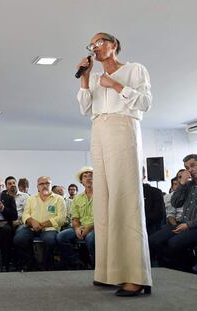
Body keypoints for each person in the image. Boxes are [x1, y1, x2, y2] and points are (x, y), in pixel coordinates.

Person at [77, 32, 152, 296]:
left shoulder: (134, 69)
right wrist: (86, 79)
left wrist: (116, 85)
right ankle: (109, 272)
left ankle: (136, 276)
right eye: (92, 45)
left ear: (114, 44)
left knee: (125, 200)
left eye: (100, 42)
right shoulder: (95, 78)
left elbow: (145, 103)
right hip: (99, 130)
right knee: (104, 203)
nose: (95, 48)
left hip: (123, 127)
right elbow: (86, 109)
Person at [149, 154, 197, 270]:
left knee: (174, 243)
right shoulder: (189, 185)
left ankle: (185, 267)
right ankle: (179, 266)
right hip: (182, 223)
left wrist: (188, 225)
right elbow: (176, 203)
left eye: (193, 166)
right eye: (187, 168)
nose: (190, 170)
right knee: (153, 240)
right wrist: (181, 184)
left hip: (193, 226)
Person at [13, 176, 66, 270]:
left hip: (50, 228)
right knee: (19, 239)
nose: (44, 186)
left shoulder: (59, 199)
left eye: (47, 183)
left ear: (51, 185)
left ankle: (46, 265)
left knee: (50, 241)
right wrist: (32, 222)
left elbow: (61, 219)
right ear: (37, 186)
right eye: (41, 184)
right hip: (31, 227)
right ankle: (32, 263)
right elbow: (25, 214)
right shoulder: (31, 198)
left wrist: (41, 225)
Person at [57, 167, 95, 269]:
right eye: (85, 176)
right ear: (81, 181)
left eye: (91, 176)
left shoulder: (103, 195)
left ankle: (95, 266)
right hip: (81, 227)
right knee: (61, 236)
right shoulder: (77, 198)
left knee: (91, 239)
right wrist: (77, 228)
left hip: (97, 228)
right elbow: (75, 218)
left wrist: (89, 227)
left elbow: (105, 217)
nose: (88, 178)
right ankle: (76, 262)